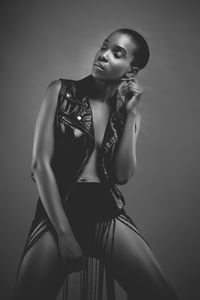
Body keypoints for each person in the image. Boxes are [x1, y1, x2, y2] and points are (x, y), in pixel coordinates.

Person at [12, 28, 180, 300]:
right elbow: (40, 167)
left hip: (105, 210)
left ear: (130, 71)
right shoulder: (61, 91)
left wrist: (129, 114)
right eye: (104, 46)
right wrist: (65, 235)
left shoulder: (128, 112)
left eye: (117, 53)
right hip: (59, 208)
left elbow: (122, 175)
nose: (103, 54)